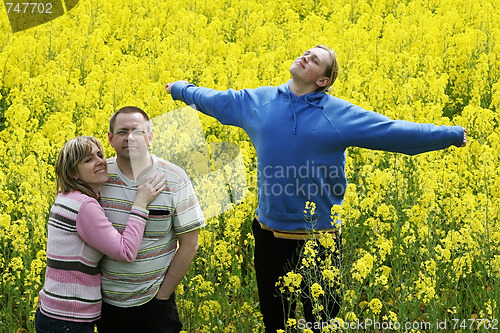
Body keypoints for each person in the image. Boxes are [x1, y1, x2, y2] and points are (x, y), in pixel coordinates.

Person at [164, 44, 468, 332]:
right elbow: (214, 100)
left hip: (320, 239)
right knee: (275, 323)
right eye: (306, 53)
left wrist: (449, 135)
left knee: (322, 322)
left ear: (323, 80)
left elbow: (392, 132)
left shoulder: (337, 114)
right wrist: (181, 89)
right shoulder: (258, 102)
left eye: (315, 59)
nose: (305, 57)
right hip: (269, 234)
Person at [35, 136, 166, 333]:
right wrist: (141, 202)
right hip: (69, 319)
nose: (100, 162)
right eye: (88, 160)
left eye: (100, 155)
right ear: (73, 172)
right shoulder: (84, 206)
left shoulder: (65, 197)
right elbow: (126, 252)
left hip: (53, 312)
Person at [96, 106, 205, 333]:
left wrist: (162, 296)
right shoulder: (96, 177)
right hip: (103, 302)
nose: (130, 137)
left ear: (150, 137)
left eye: (137, 131)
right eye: (122, 132)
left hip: (155, 303)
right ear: (110, 139)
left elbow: (190, 244)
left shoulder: (174, 178)